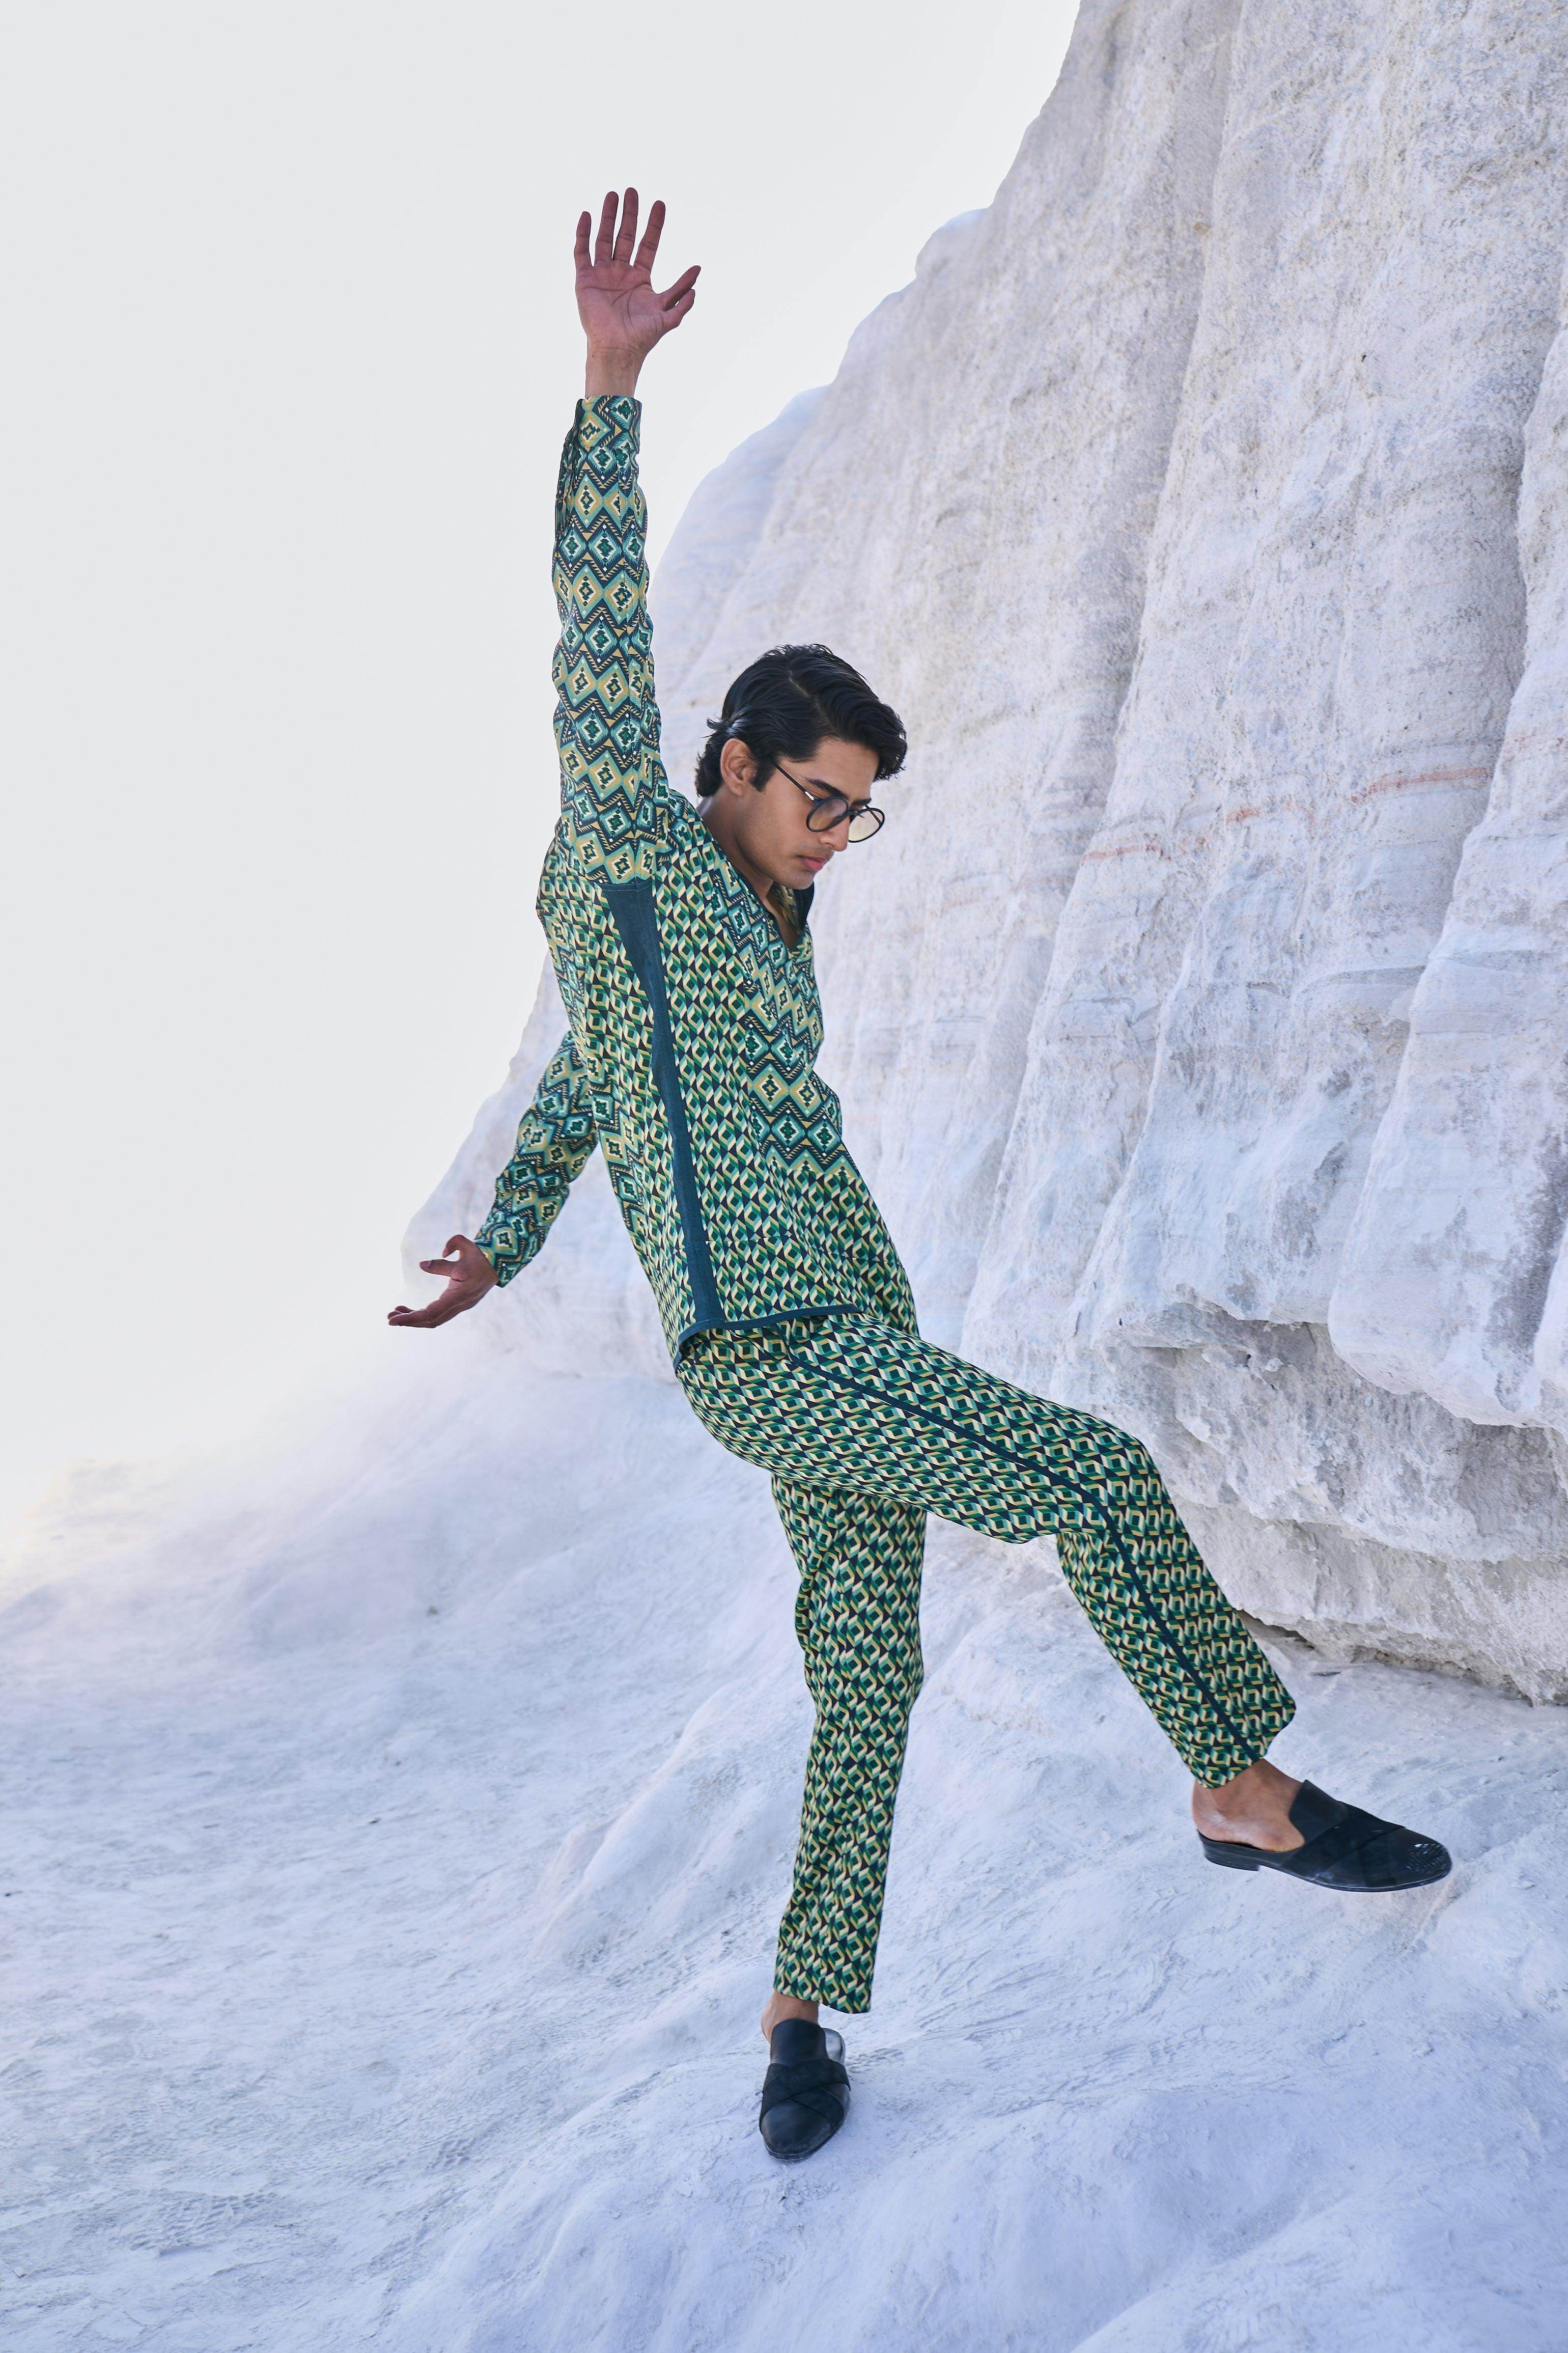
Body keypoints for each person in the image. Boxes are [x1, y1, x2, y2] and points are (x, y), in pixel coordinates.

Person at [390, 190, 1450, 2163]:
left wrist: (505, 1238)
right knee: (1092, 1475)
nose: (833, 836)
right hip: (768, 1344)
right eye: (817, 798)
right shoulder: (634, 850)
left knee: (866, 1673)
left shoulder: (739, 927)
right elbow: (595, 645)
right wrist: (608, 389)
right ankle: (1236, 1786)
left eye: (858, 815)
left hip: (846, 1317)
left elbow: (582, 1088)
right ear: (730, 760)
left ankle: (796, 2012)